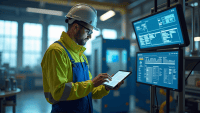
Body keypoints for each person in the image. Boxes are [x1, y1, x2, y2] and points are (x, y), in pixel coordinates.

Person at [41, 3, 124, 113]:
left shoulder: (81, 56)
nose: (90, 36)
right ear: (75, 27)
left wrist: (106, 87)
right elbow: (58, 92)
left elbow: (89, 91)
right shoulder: (56, 52)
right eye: (88, 31)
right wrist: (92, 83)